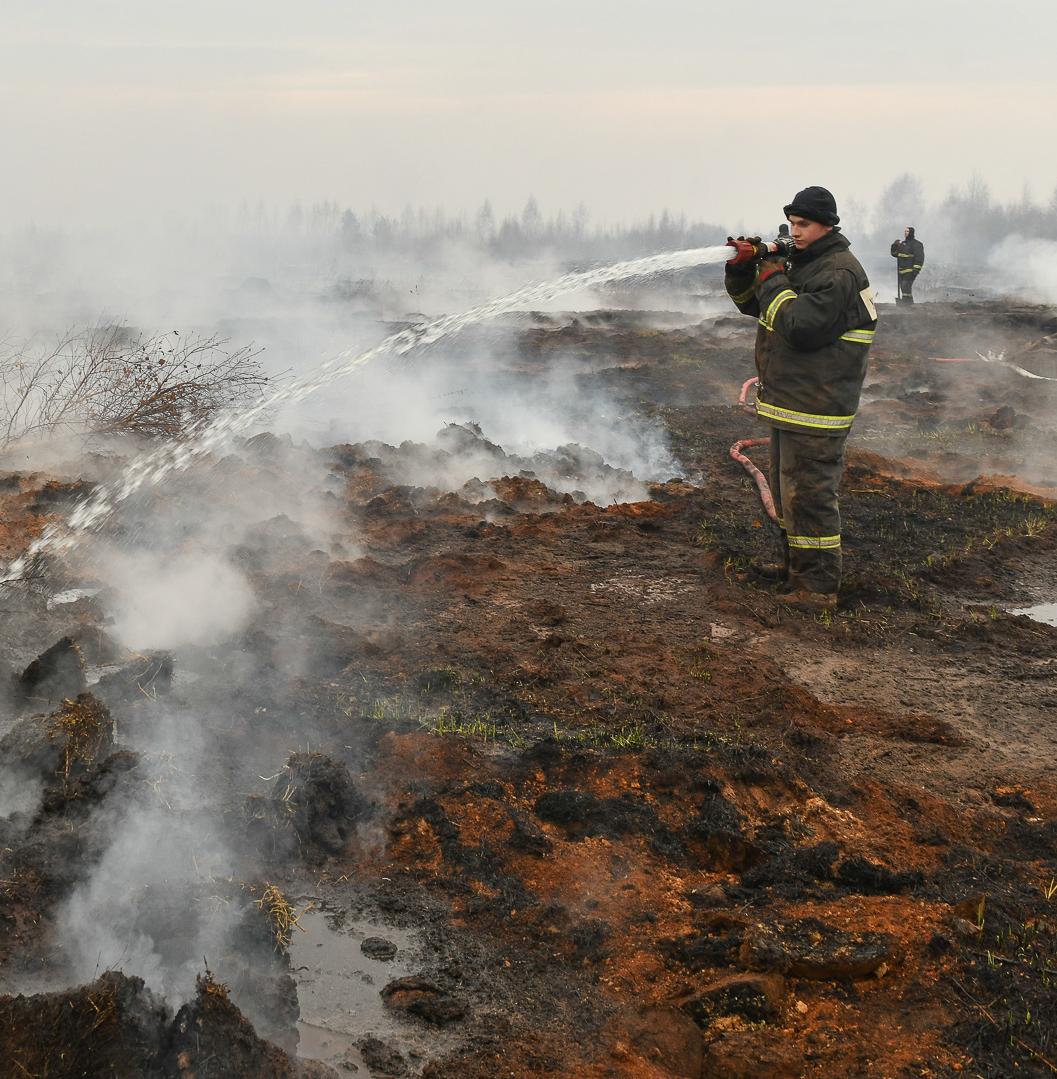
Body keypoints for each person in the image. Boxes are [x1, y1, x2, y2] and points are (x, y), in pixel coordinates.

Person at [725, 186, 877, 612]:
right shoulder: (807, 265)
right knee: (787, 493)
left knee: (810, 497)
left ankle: (817, 588)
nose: (795, 232)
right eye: (791, 224)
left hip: (818, 407)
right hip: (792, 403)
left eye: (803, 225)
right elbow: (755, 306)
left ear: (828, 225)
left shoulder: (838, 272)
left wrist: (773, 275)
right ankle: (797, 570)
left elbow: (800, 327)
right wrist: (744, 271)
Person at [890, 226, 925, 303]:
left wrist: (916, 270)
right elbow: (895, 254)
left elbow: (920, 258)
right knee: (904, 288)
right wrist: (894, 246)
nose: (905, 233)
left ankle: (906, 303)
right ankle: (908, 303)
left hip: (910, 271)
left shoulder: (917, 244)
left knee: (905, 286)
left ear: (911, 233)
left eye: (907, 231)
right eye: (905, 231)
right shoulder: (903, 244)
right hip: (901, 271)